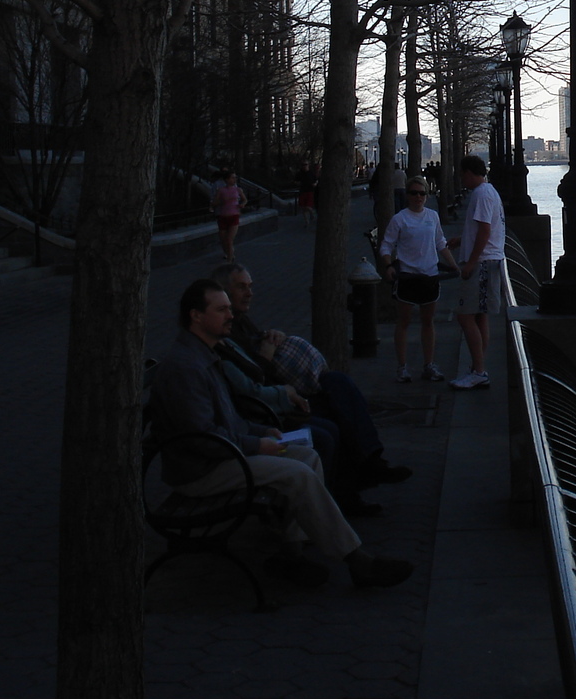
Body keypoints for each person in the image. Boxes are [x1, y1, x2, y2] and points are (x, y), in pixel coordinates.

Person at [148, 279, 412, 590]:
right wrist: (257, 444)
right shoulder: (186, 367)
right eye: (221, 310)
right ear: (196, 316)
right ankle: (357, 561)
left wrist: (264, 431)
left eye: (229, 309)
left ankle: (292, 554)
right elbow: (200, 436)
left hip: (220, 454)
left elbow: (226, 419)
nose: (230, 315)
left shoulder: (205, 354)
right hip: (202, 470)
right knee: (296, 474)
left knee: (308, 455)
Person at [211, 262, 412, 490]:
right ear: (223, 293)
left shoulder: (239, 320)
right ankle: (354, 482)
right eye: (241, 287)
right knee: (334, 418)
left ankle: (372, 460)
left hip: (284, 390)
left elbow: (259, 343)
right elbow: (253, 379)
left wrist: (274, 335)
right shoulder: (223, 334)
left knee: (337, 382)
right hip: (273, 402)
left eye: (250, 286)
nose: (249, 293)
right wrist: (267, 358)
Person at [379, 177, 457, 383]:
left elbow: (441, 243)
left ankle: (429, 365)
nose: (418, 197)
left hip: (430, 275)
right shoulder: (400, 219)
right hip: (407, 276)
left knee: (427, 321)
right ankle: (402, 367)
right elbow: (386, 245)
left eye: (422, 193)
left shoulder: (432, 216)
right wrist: (388, 265)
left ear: (427, 196)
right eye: (414, 193)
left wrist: (454, 265)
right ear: (407, 195)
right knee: (403, 321)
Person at [447, 155, 506, 391]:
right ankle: (477, 367)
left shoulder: (481, 194)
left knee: (465, 315)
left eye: (462, 174)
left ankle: (479, 371)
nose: (461, 179)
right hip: (491, 259)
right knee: (481, 315)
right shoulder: (490, 192)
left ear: (470, 173)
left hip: (482, 263)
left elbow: (484, 230)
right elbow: (486, 230)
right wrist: (462, 240)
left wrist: (470, 262)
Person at [210, 171, 247, 262]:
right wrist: (220, 202)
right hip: (223, 216)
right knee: (223, 240)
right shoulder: (221, 190)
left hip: (234, 215)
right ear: (227, 179)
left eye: (235, 178)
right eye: (232, 178)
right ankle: (229, 253)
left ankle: (230, 262)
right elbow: (214, 202)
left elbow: (245, 199)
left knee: (229, 239)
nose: (234, 180)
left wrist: (242, 204)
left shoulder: (238, 189)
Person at [294, 161, 319, 228]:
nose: (304, 166)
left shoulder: (311, 173)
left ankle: (312, 213)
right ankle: (306, 222)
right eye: (303, 165)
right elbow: (295, 181)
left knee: (308, 206)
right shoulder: (299, 174)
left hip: (310, 191)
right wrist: (297, 183)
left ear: (308, 165)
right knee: (303, 207)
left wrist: (315, 184)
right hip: (302, 191)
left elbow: (316, 180)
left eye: (305, 165)